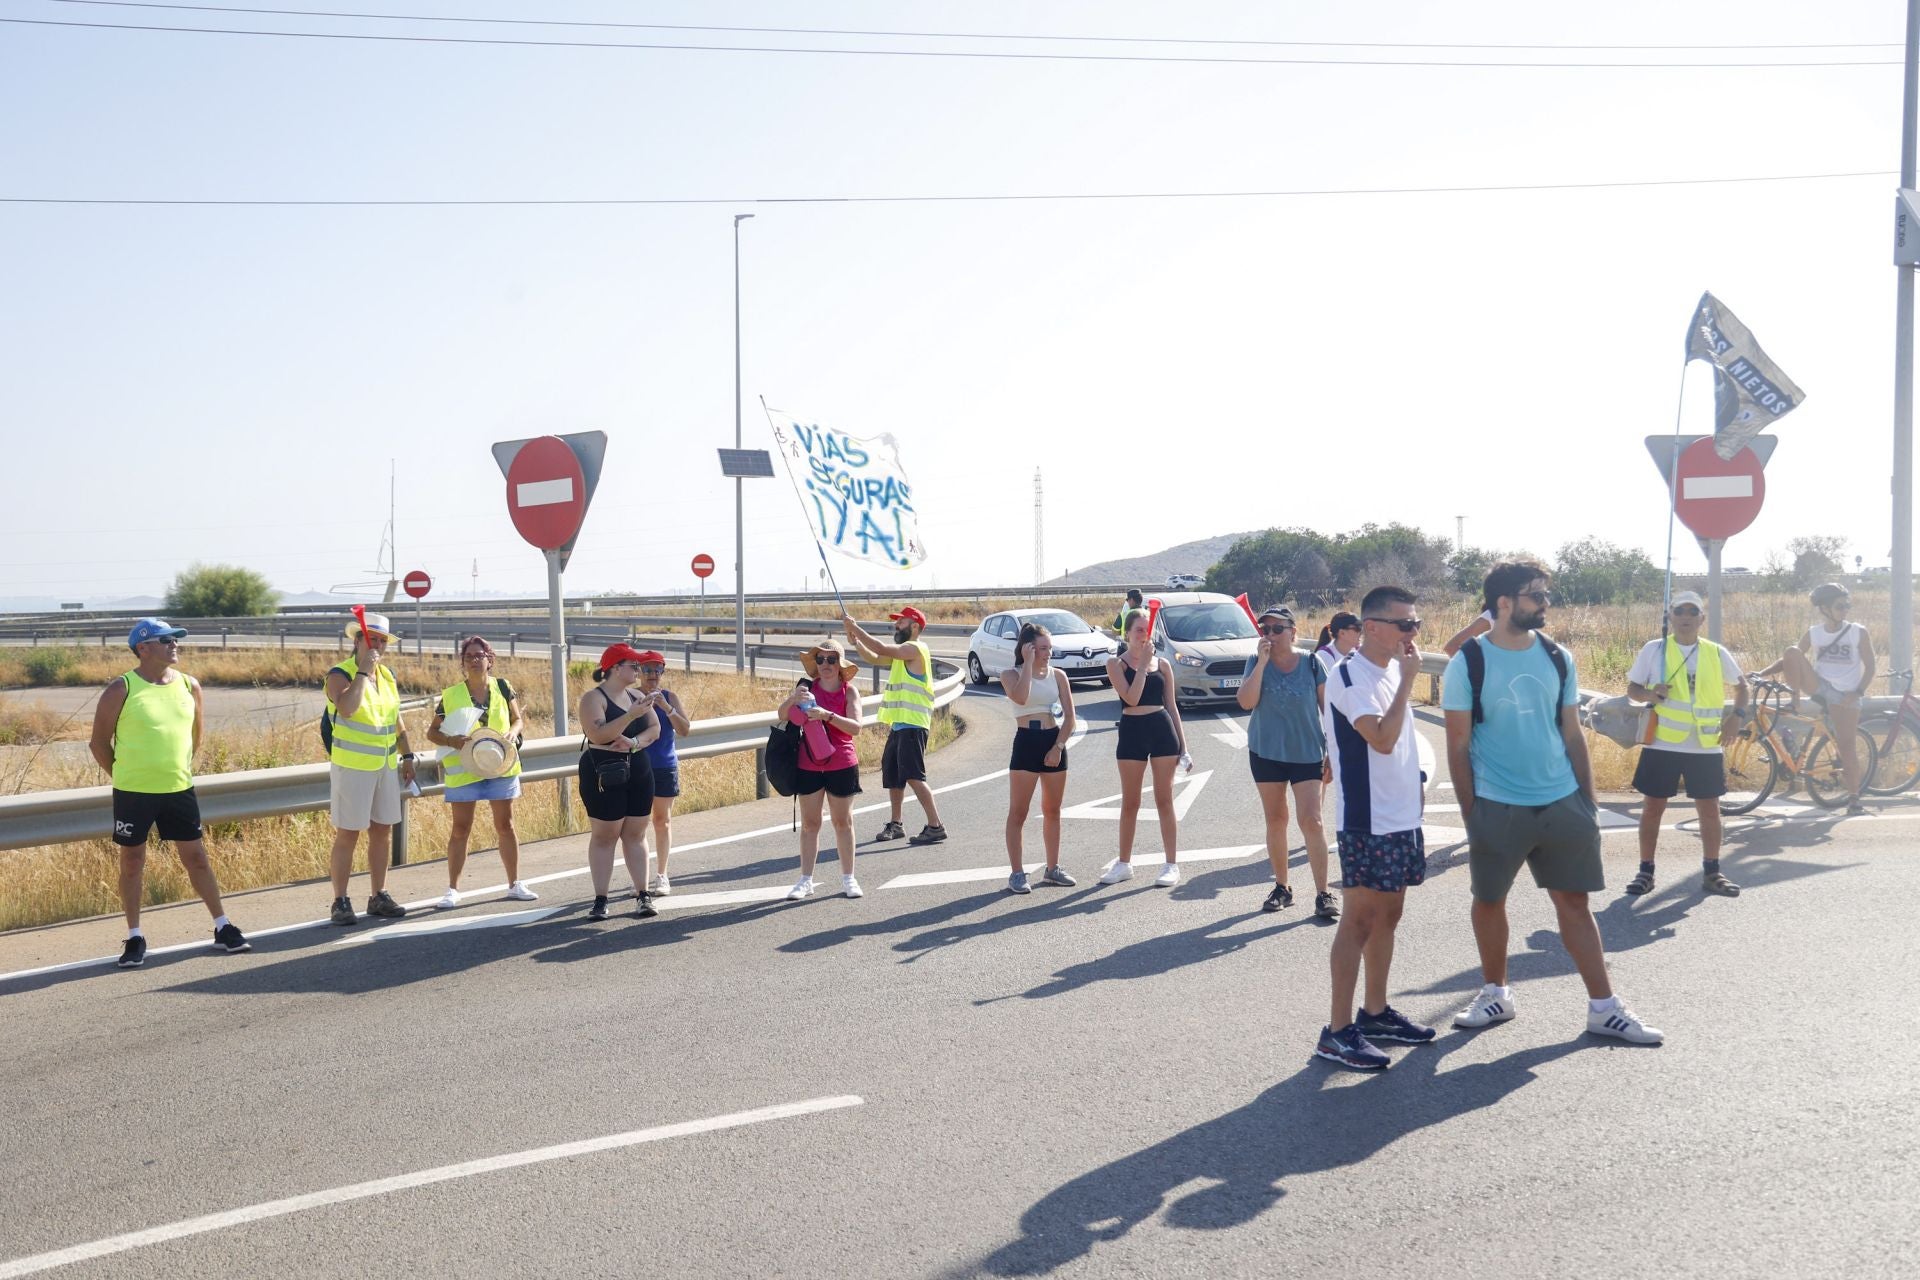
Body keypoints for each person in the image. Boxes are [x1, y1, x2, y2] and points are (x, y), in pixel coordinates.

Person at [1442, 563, 1663, 1044]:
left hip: (1562, 802)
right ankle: (1496, 994)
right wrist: (1471, 813)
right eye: (1535, 595)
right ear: (1504, 602)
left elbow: (1571, 733)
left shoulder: (1559, 657)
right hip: (1496, 803)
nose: (1545, 603)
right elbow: (1456, 744)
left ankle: (1604, 1008)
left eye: (1546, 594)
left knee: (1575, 903)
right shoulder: (1468, 662)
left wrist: (1588, 802)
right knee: (1489, 900)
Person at [1315, 586, 1435, 1070]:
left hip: (1401, 816)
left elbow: (1401, 743)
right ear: (1372, 627)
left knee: (1390, 916)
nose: (1412, 632)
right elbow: (1381, 739)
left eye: (1416, 624)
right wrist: (1408, 681)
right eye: (1404, 624)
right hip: (1367, 819)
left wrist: (1417, 785)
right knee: (1359, 920)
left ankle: (1376, 1012)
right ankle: (1337, 1031)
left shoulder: (1390, 670)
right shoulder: (1349, 675)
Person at [88, 618, 250, 968]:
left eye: (176, 639)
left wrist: (175, 770)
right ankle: (135, 936)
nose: (174, 644)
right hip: (133, 793)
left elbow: (196, 738)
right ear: (143, 648)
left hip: (178, 788)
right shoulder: (121, 689)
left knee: (197, 858)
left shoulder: (190, 686)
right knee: (132, 862)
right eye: (166, 640)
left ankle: (223, 926)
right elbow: (98, 743)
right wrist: (125, 776)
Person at [1624, 591, 1748, 897]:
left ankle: (1712, 872)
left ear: (1701, 619)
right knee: (1653, 808)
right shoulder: (1654, 649)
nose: (1686, 617)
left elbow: (1742, 686)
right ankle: (1645, 872)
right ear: (1670, 616)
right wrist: (1650, 694)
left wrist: (1736, 718)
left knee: (1710, 810)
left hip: (1705, 744)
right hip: (1662, 742)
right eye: (1680, 611)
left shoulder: (1716, 652)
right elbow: (1633, 689)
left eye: (1693, 612)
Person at [1238, 606, 1337, 919]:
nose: (1270, 635)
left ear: (1293, 632)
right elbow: (1246, 702)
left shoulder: (1311, 663)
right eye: (1265, 629)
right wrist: (1261, 663)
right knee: (1276, 819)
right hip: (1266, 752)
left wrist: (1334, 751)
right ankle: (1282, 887)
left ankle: (1323, 893)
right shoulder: (1255, 661)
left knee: (1312, 821)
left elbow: (1329, 710)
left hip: (1307, 752)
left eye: (1277, 629)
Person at [427, 635, 535, 909]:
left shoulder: (503, 687)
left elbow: (517, 719)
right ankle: (452, 889)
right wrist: (451, 741)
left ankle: (514, 884)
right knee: (460, 829)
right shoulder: (451, 695)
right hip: (465, 769)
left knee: (506, 826)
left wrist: (513, 731)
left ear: (490, 660)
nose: (474, 660)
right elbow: (432, 732)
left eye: (479, 655)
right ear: (463, 663)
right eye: (469, 657)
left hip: (500, 764)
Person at [323, 611, 414, 926]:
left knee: (382, 831)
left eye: (382, 640)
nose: (377, 645)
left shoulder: (387, 675)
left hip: (385, 766)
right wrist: (363, 671)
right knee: (348, 833)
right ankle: (340, 900)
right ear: (357, 641)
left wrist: (408, 755)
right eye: (371, 638)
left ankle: (379, 895)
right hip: (353, 767)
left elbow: (395, 718)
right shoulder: (340, 674)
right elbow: (347, 708)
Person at [1755, 581, 1875, 814]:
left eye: (1847, 605)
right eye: (1840, 606)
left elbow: (1870, 666)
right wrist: (1763, 673)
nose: (1845, 610)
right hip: (1819, 686)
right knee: (1792, 650)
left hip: (1844, 695)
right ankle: (1795, 701)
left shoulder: (1858, 632)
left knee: (1846, 746)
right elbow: (1790, 659)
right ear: (1824, 608)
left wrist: (1857, 692)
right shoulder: (1815, 633)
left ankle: (1854, 798)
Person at [1098, 608, 1189, 887]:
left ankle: (1171, 865)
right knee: (1131, 801)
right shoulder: (1115, 664)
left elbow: (1172, 706)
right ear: (1127, 633)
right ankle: (1124, 864)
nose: (1144, 635)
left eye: (1148, 630)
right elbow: (1132, 698)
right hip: (1132, 731)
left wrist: (1184, 748)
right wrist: (1142, 665)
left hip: (1162, 731)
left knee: (1164, 800)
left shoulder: (1163, 665)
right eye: (1139, 630)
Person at [843, 606, 947, 845]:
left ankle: (935, 825)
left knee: (913, 776)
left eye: (901, 622)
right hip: (900, 725)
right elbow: (875, 657)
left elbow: (880, 648)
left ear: (915, 627)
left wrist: (855, 627)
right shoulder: (902, 654)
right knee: (894, 775)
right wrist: (856, 642)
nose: (896, 625)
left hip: (913, 725)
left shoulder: (915, 648)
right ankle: (896, 824)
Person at [578, 643, 661, 921]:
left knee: (636, 834)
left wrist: (634, 742)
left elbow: (655, 729)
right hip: (604, 769)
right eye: (633, 665)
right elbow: (598, 734)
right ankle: (601, 899)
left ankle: (643, 894)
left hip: (638, 766)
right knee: (605, 835)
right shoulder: (593, 698)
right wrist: (631, 715)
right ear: (614, 668)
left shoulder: (637, 695)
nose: (639, 670)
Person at [777, 641, 866, 900]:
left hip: (842, 762)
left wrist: (826, 715)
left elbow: (856, 727)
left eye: (831, 659)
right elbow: (782, 715)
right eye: (820, 659)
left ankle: (849, 878)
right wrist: (793, 699)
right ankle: (805, 881)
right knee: (810, 824)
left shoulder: (850, 692)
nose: (825, 664)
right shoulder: (806, 689)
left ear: (840, 665)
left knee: (843, 822)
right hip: (808, 763)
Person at [999, 621, 1077, 893]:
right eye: (1042, 648)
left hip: (1053, 740)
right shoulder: (1011, 674)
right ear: (1028, 648)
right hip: (1026, 742)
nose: (1048, 653)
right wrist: (1028, 664)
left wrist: (1057, 747)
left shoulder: (1059, 675)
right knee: (1018, 812)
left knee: (1053, 810)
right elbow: (1021, 698)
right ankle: (1017, 873)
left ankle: (1052, 869)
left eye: (1049, 648)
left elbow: (1070, 719)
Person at [635, 650, 690, 896]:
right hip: (637, 766)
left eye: (657, 670)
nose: (652, 675)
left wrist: (667, 708)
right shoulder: (631, 696)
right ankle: (640, 880)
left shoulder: (670, 697)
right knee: (635, 825)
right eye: (647, 669)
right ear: (638, 671)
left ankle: (662, 874)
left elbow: (685, 730)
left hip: (664, 766)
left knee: (662, 820)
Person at [1313, 611, 1361, 676]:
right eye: (1357, 629)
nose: (1361, 632)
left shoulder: (1361, 652)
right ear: (1342, 633)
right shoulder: (1324, 656)